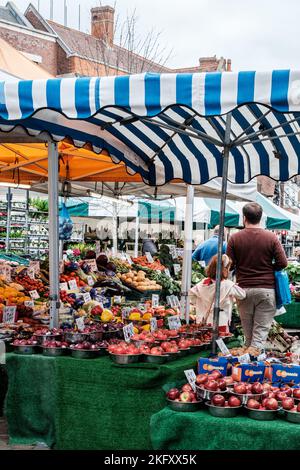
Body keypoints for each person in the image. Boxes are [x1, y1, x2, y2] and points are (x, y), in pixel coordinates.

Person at [227, 202, 288, 351]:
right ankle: (254, 368)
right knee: (259, 335)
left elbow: (229, 264)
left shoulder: (235, 238)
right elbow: (283, 263)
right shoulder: (271, 237)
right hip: (266, 290)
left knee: (248, 336)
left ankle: (246, 368)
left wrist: (241, 267)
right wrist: (268, 268)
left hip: (243, 291)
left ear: (244, 218)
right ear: (261, 218)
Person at [189, 254, 246, 331]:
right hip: (220, 322)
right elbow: (242, 295)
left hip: (202, 321)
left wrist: (201, 303)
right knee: (219, 340)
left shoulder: (202, 283)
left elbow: (191, 295)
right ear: (224, 269)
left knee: (205, 340)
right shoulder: (228, 285)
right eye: (228, 268)